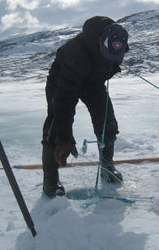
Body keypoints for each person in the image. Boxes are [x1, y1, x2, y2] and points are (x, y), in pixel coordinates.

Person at [41, 16, 129, 197]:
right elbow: (64, 100)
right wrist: (65, 137)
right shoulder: (78, 53)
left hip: (93, 82)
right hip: (62, 82)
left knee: (107, 120)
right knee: (56, 125)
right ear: (99, 40)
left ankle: (107, 166)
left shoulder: (117, 41)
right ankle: (50, 180)